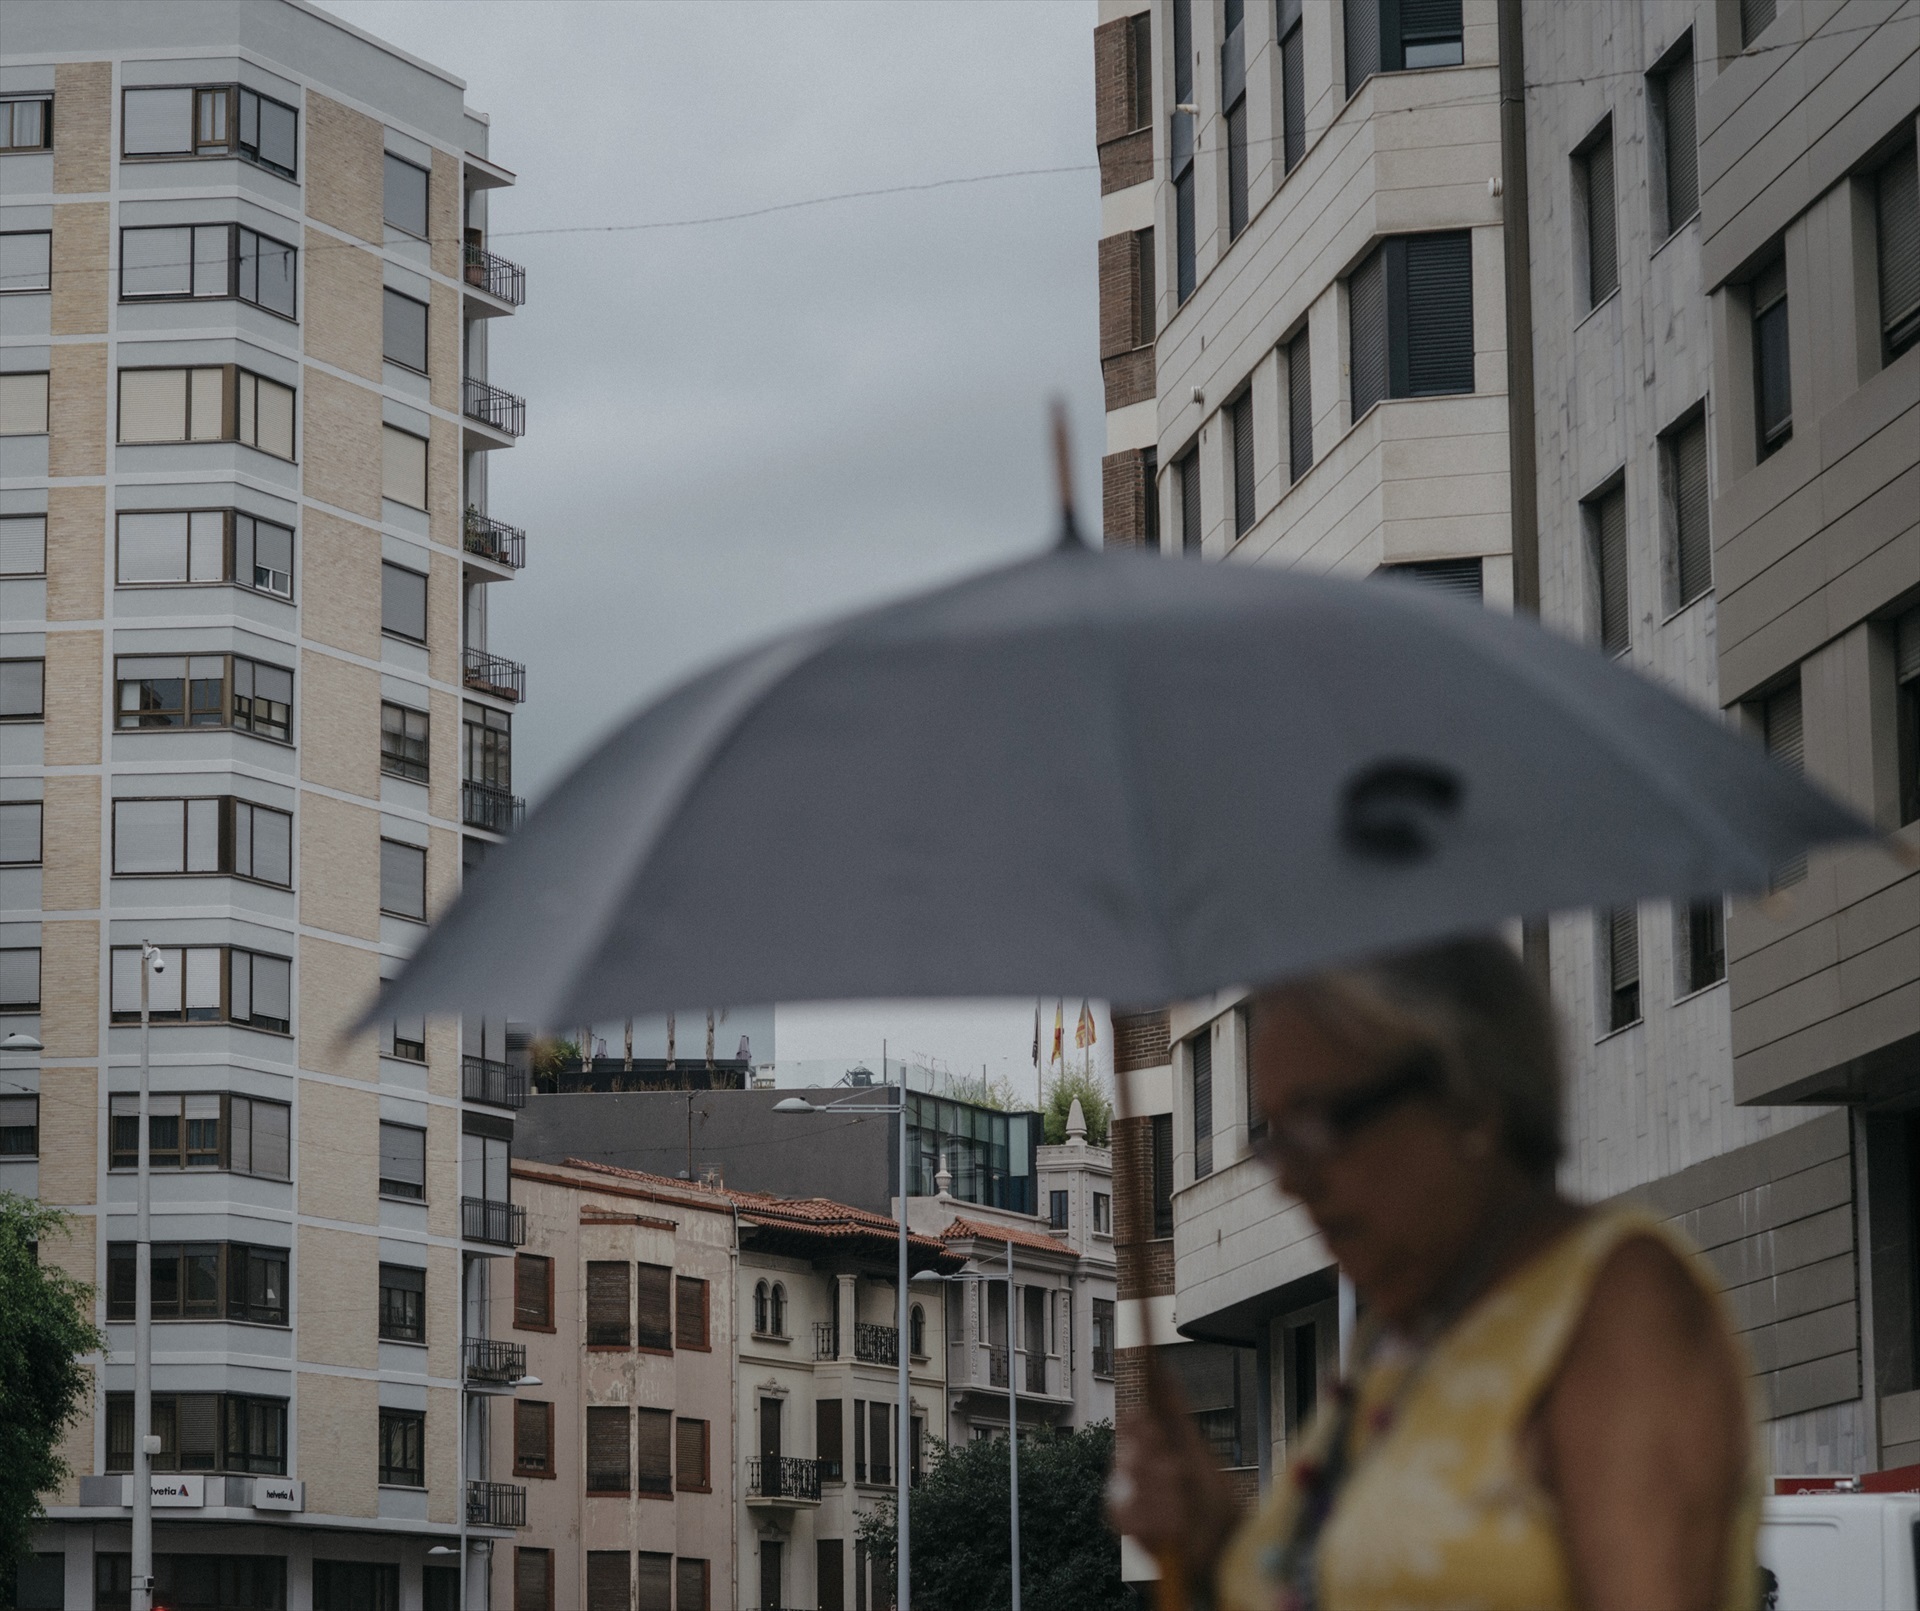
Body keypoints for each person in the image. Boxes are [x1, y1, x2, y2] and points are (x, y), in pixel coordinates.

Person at [1109, 936, 1758, 1611]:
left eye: (1320, 1122)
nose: (1293, 1183)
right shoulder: (1392, 1341)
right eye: (1275, 1140)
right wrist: (1213, 1541)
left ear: (1468, 1095)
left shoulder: (1619, 1306)